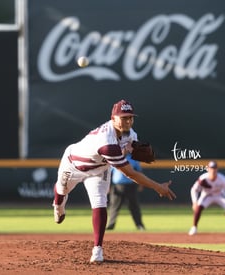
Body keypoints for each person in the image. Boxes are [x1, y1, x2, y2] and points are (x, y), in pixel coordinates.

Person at [52, 99, 176, 263]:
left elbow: (132, 149)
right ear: (113, 119)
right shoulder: (106, 142)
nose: (128, 121)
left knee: (100, 202)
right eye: (124, 117)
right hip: (74, 165)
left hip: (99, 169)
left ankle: (97, 249)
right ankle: (58, 205)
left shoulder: (130, 134)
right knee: (62, 190)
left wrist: (133, 150)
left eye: (131, 117)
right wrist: (157, 187)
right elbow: (130, 174)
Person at [188, 160, 225, 235]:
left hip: (219, 195)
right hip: (207, 195)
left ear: (217, 169)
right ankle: (194, 227)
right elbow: (194, 190)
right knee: (198, 208)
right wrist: (194, 202)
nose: (213, 170)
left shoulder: (222, 178)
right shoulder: (203, 179)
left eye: (214, 168)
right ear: (208, 169)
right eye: (211, 168)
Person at [106, 153, 145, 231]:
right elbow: (109, 173)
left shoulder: (133, 158)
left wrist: (141, 184)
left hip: (130, 186)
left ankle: (139, 225)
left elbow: (139, 172)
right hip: (117, 186)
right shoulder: (115, 158)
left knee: (134, 207)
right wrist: (108, 186)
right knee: (114, 206)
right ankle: (110, 225)